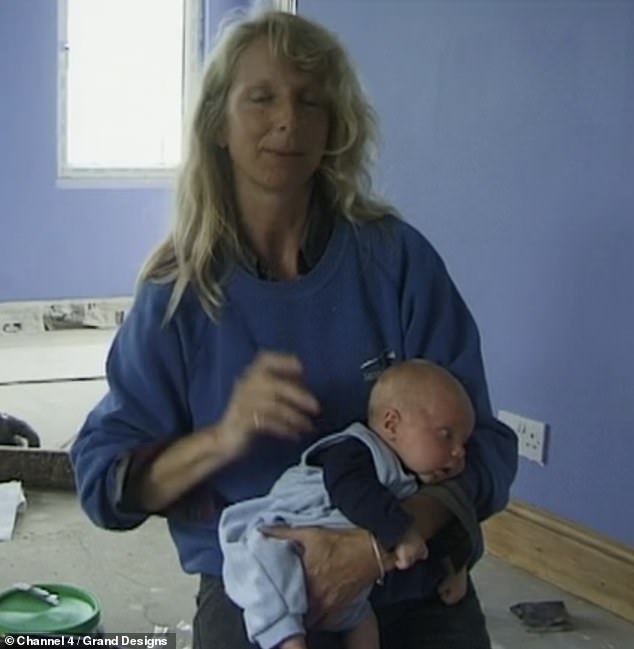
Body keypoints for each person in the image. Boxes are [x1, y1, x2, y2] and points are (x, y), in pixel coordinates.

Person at [70, 8, 518, 649]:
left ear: (335, 126)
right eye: (262, 98)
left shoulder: (397, 261)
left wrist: (372, 546)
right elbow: (102, 482)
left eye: (311, 101)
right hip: (256, 589)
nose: (288, 120)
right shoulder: (177, 292)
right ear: (218, 124)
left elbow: (490, 451)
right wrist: (223, 439)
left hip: (411, 572)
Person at [219, 359, 475, 649]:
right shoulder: (353, 450)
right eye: (446, 435)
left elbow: (441, 529)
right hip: (288, 530)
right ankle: (289, 640)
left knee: (363, 621)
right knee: (270, 570)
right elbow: (353, 492)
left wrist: (456, 563)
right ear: (391, 424)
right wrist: (402, 533)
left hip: (349, 589)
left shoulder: (410, 478)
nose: (458, 453)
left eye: (463, 443)